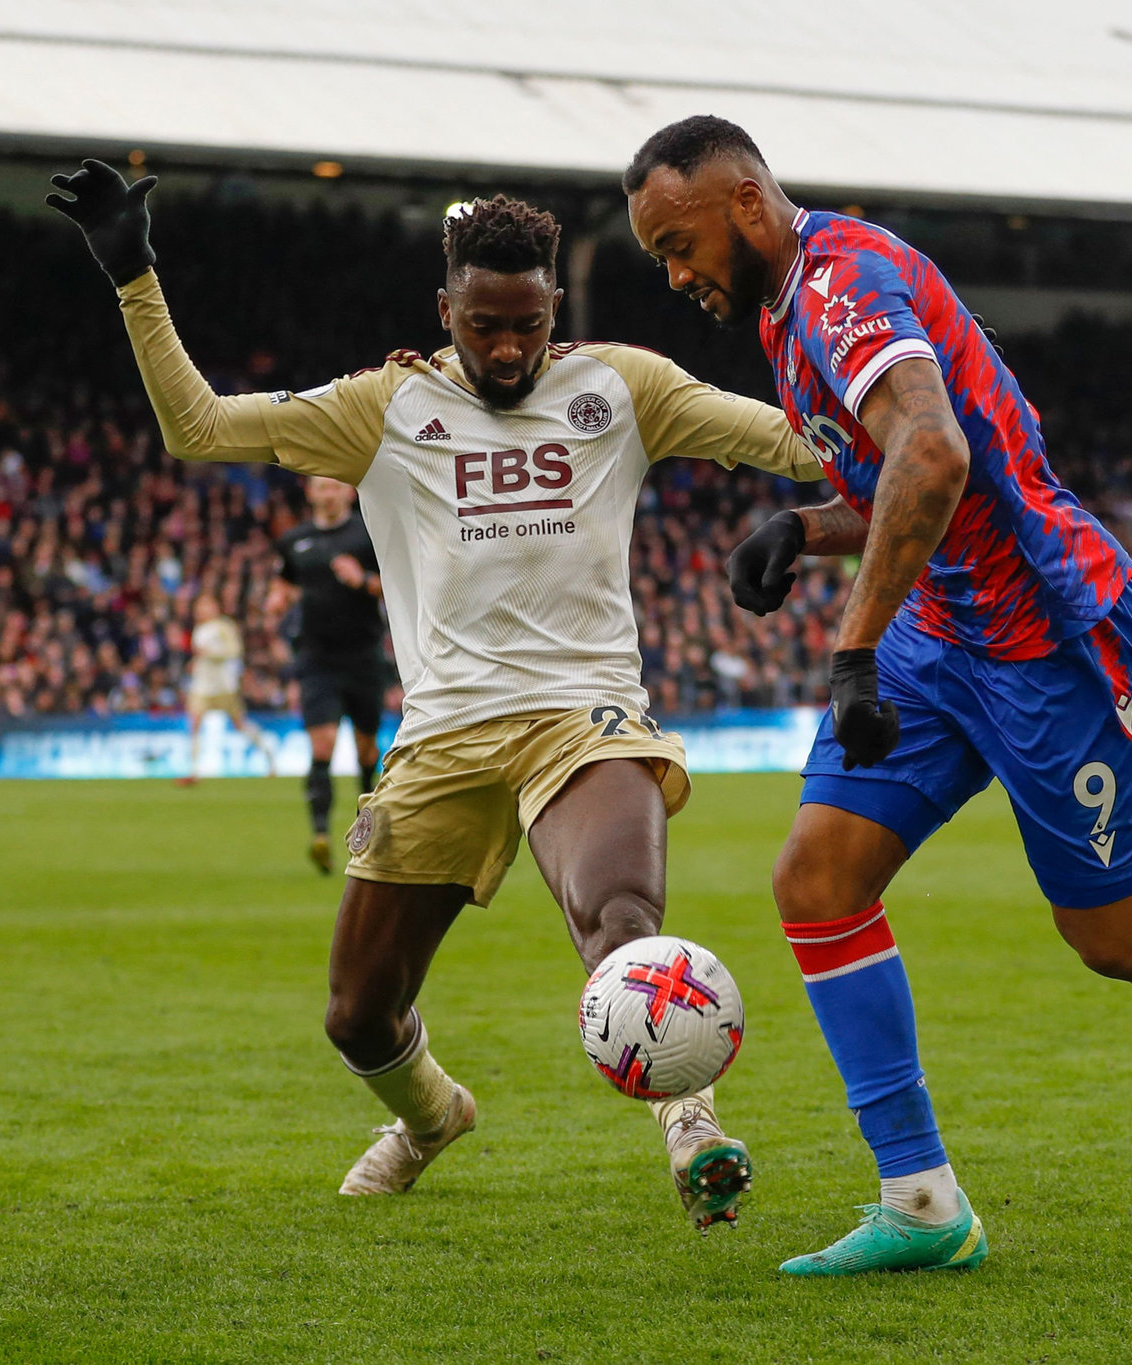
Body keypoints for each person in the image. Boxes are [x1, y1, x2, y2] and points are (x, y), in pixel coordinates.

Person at [623, 116, 1132, 1274]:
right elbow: (910, 477)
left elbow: (938, 458)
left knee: (1115, 934)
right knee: (815, 879)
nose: (674, 274)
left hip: (1046, 638)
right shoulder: (782, 302)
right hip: (942, 626)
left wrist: (849, 647)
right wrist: (804, 530)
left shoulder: (841, 285)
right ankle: (918, 1202)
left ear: (743, 202)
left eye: (676, 243)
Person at [50, 160, 826, 1228]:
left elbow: (795, 441)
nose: (506, 348)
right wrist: (132, 271)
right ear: (444, 310)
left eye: (525, 323)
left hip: (581, 717)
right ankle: (427, 1118)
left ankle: (690, 1126)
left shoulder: (621, 388)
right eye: (482, 325)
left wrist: (901, 413)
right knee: (357, 1015)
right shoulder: (383, 405)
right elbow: (197, 428)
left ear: (553, 307)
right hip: (444, 735)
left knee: (620, 918)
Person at [263, 475, 387, 871]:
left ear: (348, 492)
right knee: (323, 746)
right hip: (316, 658)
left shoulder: (369, 534)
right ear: (311, 493)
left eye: (335, 486)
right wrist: (278, 599)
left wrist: (364, 580)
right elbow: (284, 582)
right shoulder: (295, 541)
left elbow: (402, 584)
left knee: (367, 750)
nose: (329, 493)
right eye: (322, 487)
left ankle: (369, 829)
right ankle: (319, 834)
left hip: (364, 656)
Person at [177, 591, 275, 787]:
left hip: (224, 686)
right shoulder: (199, 629)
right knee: (194, 724)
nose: (202, 610)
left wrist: (210, 654)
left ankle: (268, 755)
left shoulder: (224, 627)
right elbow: (201, 656)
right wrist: (196, 663)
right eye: (200, 606)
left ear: (215, 607)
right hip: (201, 686)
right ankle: (193, 771)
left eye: (206, 605)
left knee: (240, 724)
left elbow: (234, 651)